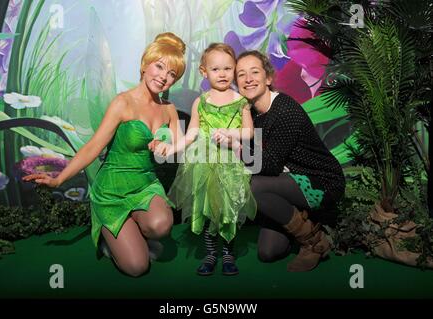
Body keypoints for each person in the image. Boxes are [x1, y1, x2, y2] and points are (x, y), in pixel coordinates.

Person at [23, 32, 186, 277]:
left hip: (145, 186)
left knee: (161, 225)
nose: (164, 76)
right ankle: (111, 238)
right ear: (144, 65)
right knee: (138, 267)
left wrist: (167, 143)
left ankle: (134, 229)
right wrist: (59, 178)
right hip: (112, 192)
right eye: (159, 66)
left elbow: (177, 144)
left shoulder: (169, 110)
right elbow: (93, 147)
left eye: (172, 74)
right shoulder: (123, 103)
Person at [233, 50, 345, 272]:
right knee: (268, 252)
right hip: (285, 184)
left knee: (253, 185)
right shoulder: (251, 115)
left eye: (255, 72)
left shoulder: (284, 109)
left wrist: (237, 148)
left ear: (268, 78)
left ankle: (313, 242)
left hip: (319, 180)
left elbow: (270, 165)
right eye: (241, 74)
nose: (248, 79)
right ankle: (306, 219)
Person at [151, 43, 256, 276]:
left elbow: (249, 132)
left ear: (234, 69)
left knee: (227, 211)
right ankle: (210, 254)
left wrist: (231, 133)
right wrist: (172, 148)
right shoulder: (201, 102)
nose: (222, 74)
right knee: (208, 211)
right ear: (203, 72)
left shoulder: (241, 103)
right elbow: (192, 133)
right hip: (202, 165)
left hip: (229, 165)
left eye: (228, 69)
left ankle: (228, 255)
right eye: (216, 69)